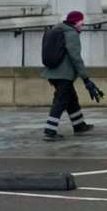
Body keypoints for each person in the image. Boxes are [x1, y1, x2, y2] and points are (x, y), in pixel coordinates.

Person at [42, 10, 103, 140]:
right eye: (81, 21)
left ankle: (79, 125)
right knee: (60, 101)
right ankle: (50, 131)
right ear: (76, 22)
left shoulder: (59, 29)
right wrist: (85, 78)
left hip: (53, 72)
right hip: (63, 75)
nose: (82, 24)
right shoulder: (71, 34)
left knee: (71, 98)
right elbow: (75, 57)